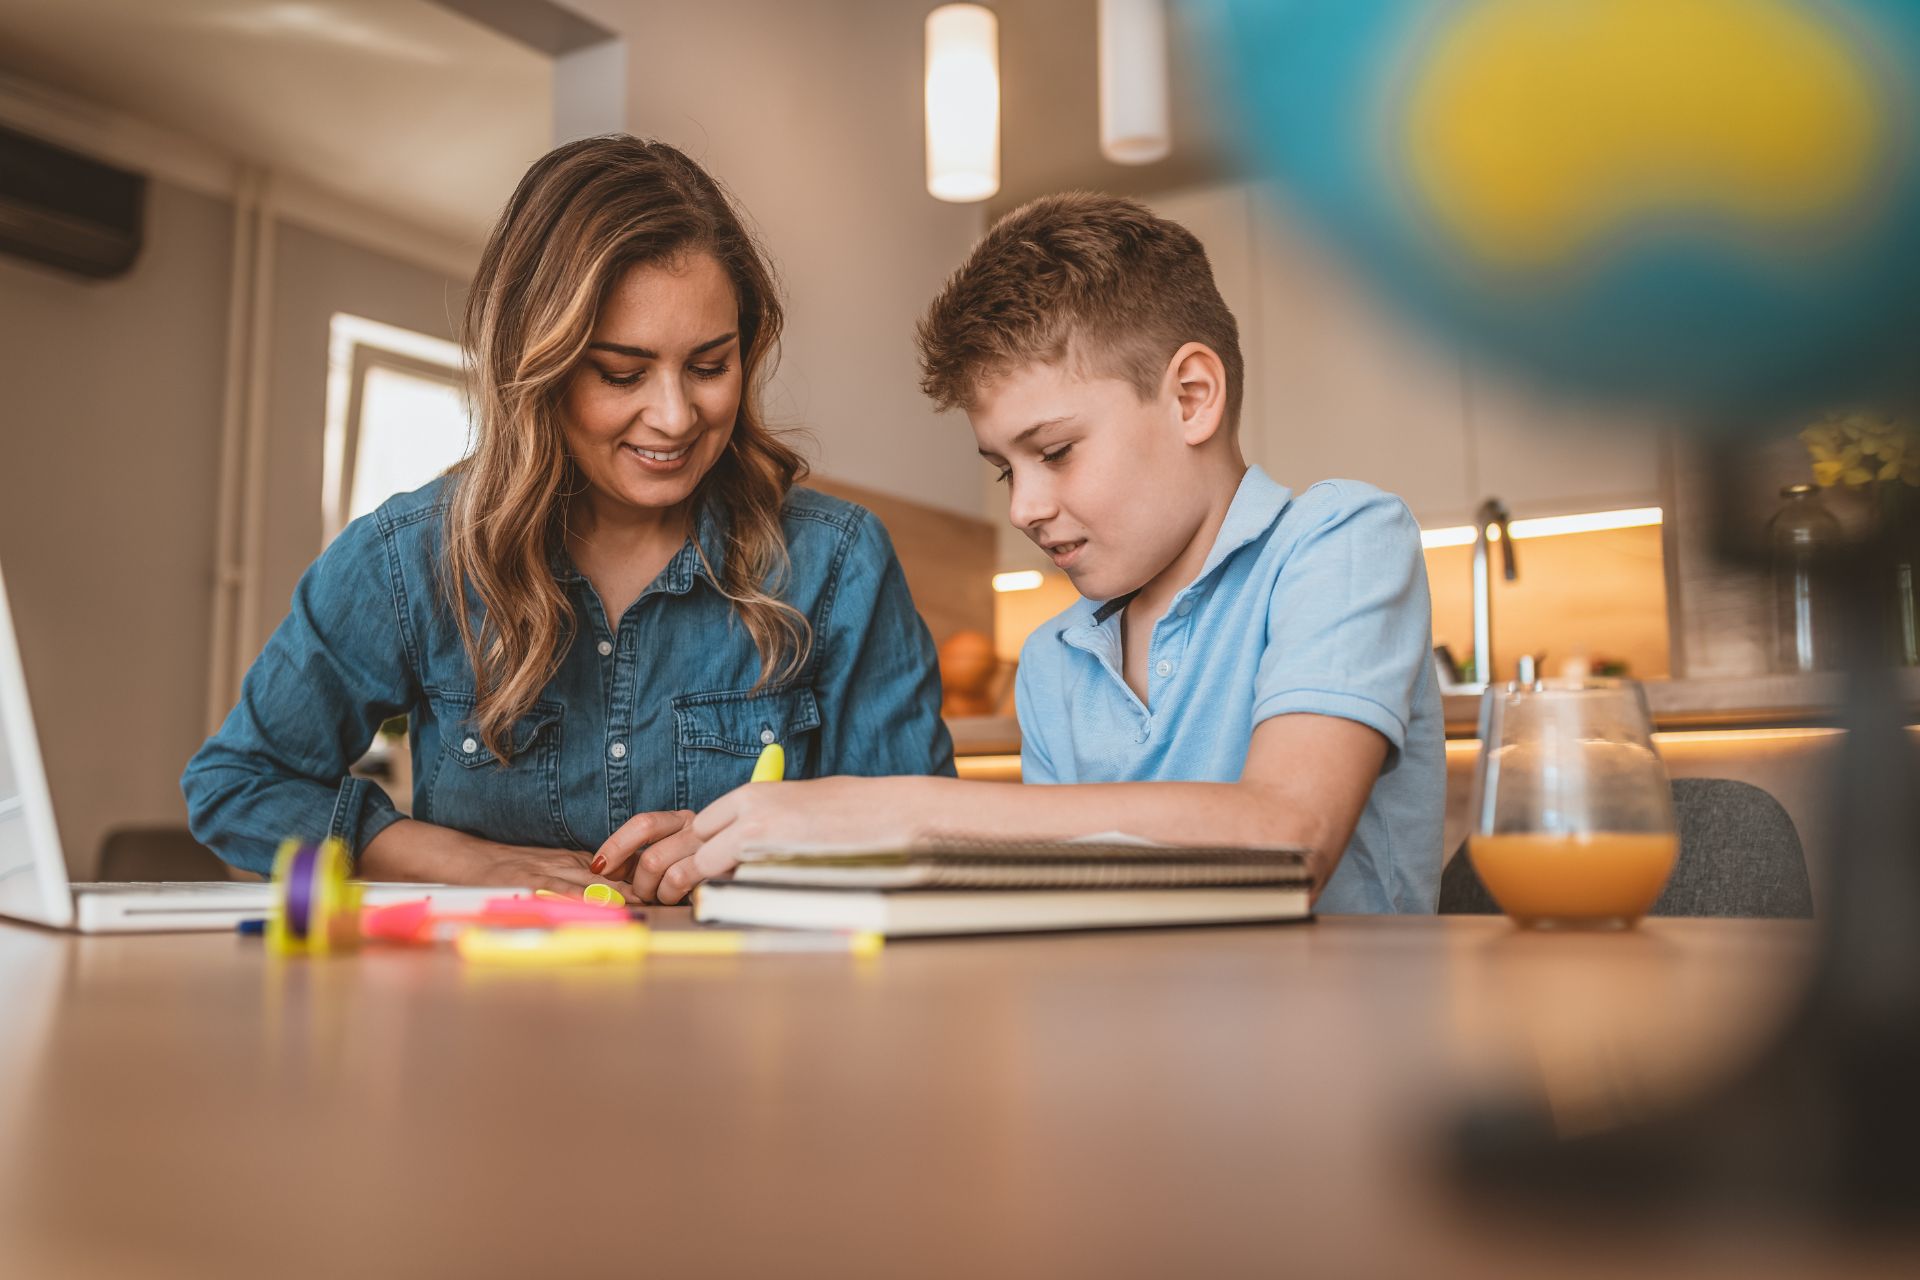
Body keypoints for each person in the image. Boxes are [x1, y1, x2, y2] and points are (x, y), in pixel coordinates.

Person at [182, 136, 953, 899]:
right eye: (623, 373)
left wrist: (773, 843)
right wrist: (465, 862)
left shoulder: (837, 562)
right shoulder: (409, 557)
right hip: (487, 1011)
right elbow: (238, 785)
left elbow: (932, 842)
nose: (675, 416)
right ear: (537, 368)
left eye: (710, 366)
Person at [627, 192, 1443, 912]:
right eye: (1003, 469)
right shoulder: (1057, 659)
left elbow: (1289, 836)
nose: (1023, 507)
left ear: (1192, 397)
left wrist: (900, 809)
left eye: (1054, 452)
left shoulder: (1340, 541)